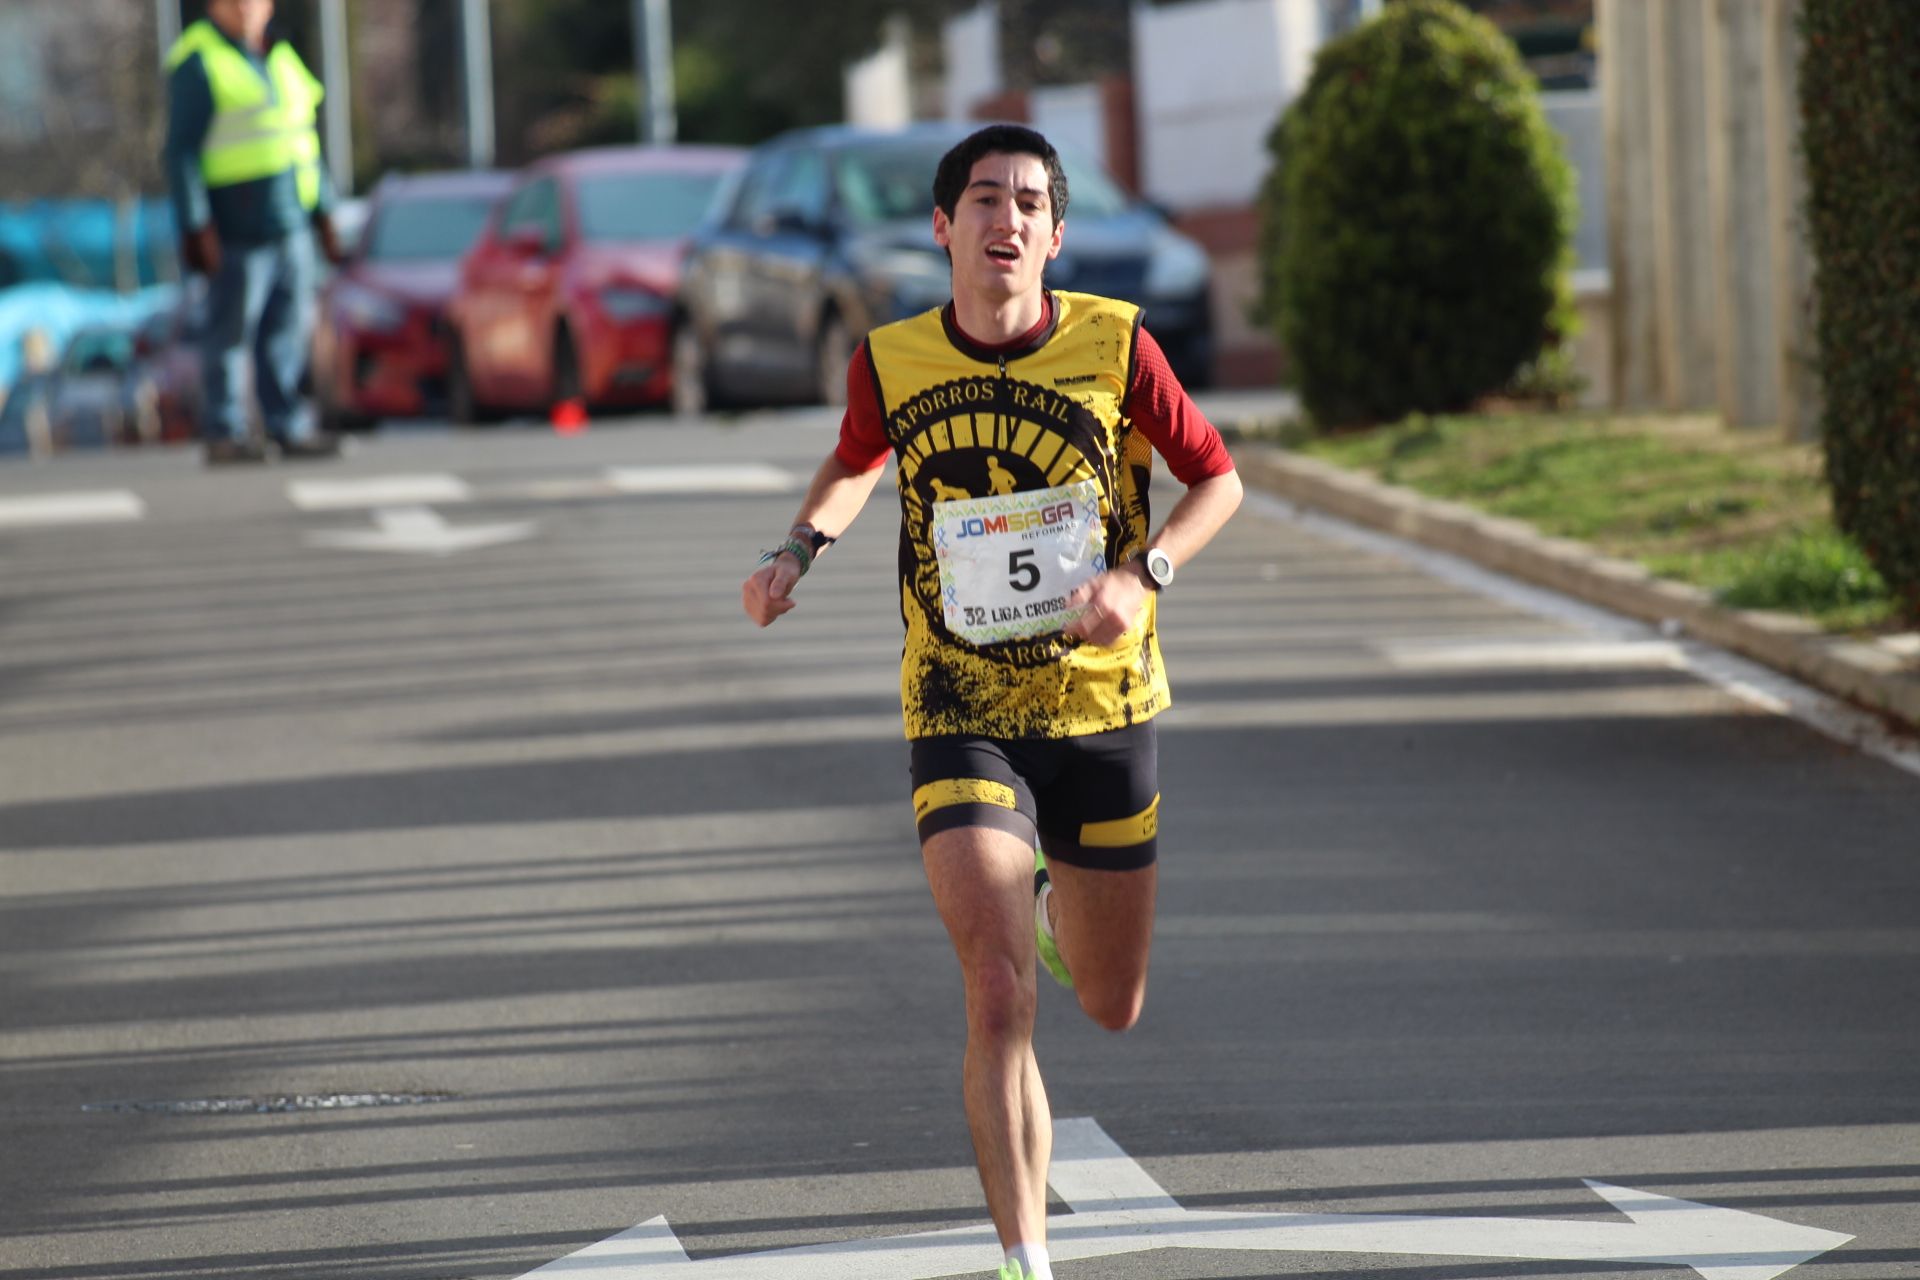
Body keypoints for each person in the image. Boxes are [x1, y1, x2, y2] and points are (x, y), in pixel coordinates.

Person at [741, 124, 1243, 1280]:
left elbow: (1217, 476)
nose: (1004, 219)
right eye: (982, 199)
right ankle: (1026, 1257)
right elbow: (856, 457)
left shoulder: (1115, 346)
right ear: (943, 227)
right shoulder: (892, 358)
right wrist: (795, 553)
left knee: (1111, 1003)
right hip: (957, 698)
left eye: (1028, 202)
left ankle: (1070, 910)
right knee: (997, 982)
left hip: (1103, 700)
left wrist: (1142, 573)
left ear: (1057, 236)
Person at [162, 0, 342, 465]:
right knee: (229, 334)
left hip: (290, 223)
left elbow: (302, 139)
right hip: (235, 229)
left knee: (287, 331)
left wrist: (323, 211)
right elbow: (181, 152)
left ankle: (288, 423)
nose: (245, 9)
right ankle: (226, 431)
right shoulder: (199, 60)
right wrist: (196, 225)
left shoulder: (280, 56)